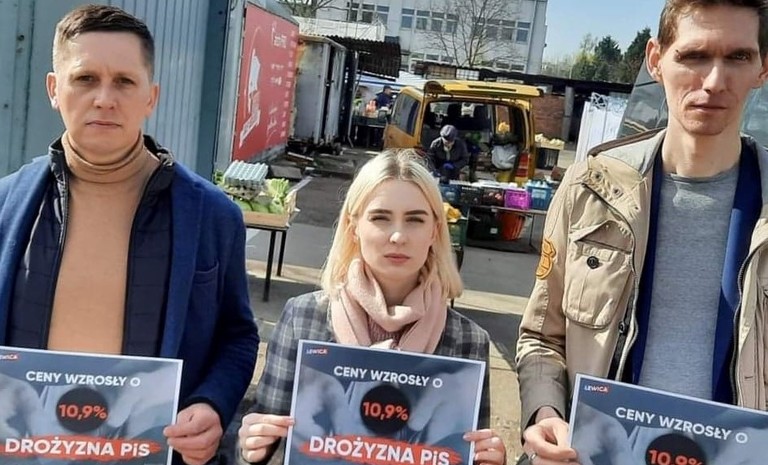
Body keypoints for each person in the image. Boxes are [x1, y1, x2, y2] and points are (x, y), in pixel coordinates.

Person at [0, 5, 259, 465]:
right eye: (85, 79)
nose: (104, 98)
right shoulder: (7, 207)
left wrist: (212, 403)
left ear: (151, 97)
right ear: (54, 89)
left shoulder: (211, 216)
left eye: (124, 81)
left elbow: (237, 337)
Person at [515, 0, 768, 463]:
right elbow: (541, 336)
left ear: (762, 68)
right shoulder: (591, 188)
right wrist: (545, 411)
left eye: (738, 57)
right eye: (694, 55)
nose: (715, 81)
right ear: (656, 59)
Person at [237, 150, 506, 465]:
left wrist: (488, 460)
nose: (398, 236)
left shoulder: (467, 340)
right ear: (353, 226)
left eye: (415, 220)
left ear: (435, 230)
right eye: (380, 218)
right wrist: (253, 449)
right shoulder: (303, 318)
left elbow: (465, 451)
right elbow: (269, 445)